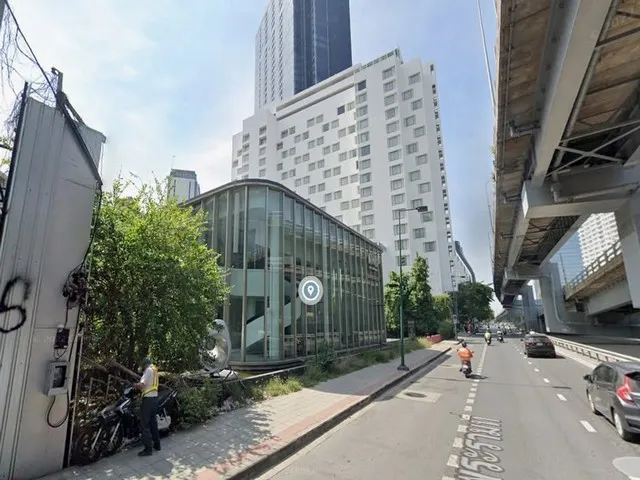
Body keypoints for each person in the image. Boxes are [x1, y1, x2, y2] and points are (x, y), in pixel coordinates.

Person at [133, 357, 161, 456]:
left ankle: (148, 450)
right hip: (155, 399)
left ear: (145, 365)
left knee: (144, 425)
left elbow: (142, 385)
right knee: (153, 423)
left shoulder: (148, 370)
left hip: (148, 400)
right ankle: (157, 445)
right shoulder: (154, 370)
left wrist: (135, 385)